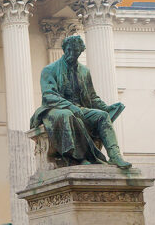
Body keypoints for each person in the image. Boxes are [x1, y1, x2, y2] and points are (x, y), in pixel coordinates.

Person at [30, 35, 131, 168]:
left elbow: (92, 97)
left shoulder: (84, 72)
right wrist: (71, 106)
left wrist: (107, 108)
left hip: (79, 108)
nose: (72, 54)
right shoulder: (50, 69)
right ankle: (76, 157)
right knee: (67, 115)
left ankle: (115, 155)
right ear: (65, 49)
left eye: (76, 51)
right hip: (54, 109)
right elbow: (49, 96)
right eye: (70, 50)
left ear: (80, 51)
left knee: (102, 116)